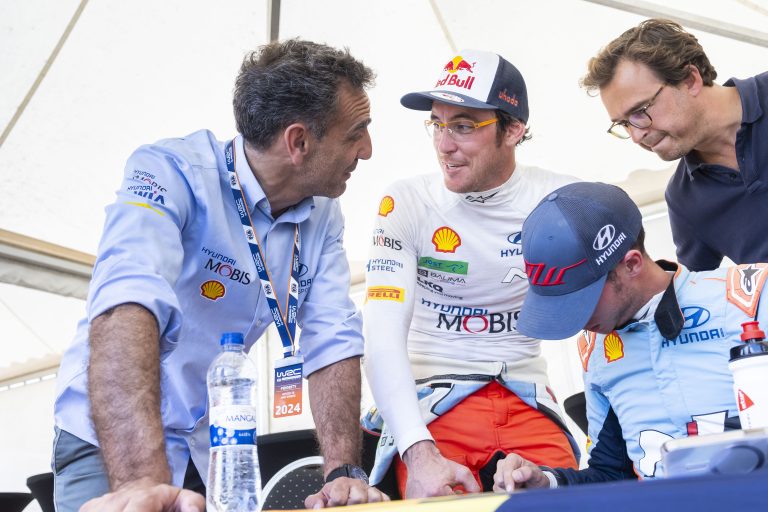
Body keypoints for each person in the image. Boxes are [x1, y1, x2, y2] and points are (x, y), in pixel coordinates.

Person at [53, 39, 389, 511]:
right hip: (113, 440)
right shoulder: (170, 171)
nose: (367, 150)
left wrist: (342, 473)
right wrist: (139, 484)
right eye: (356, 133)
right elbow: (126, 303)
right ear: (298, 142)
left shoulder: (324, 214)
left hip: (207, 446)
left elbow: (332, 334)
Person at [362, 49, 580, 500]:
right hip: (430, 404)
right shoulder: (406, 202)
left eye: (463, 126)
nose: (444, 145)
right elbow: (380, 337)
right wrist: (418, 452)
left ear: (513, 130)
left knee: (569, 503)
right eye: (437, 124)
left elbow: (609, 312)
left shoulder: (562, 198)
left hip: (527, 395)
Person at [493, 181, 758, 491]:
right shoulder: (595, 348)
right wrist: (546, 482)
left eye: (582, 299)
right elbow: (610, 473)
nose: (577, 321)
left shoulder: (750, 297)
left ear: (631, 264)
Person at [581, 18, 768, 272]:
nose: (636, 136)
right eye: (624, 123)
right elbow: (696, 288)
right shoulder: (684, 200)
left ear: (690, 80)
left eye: (640, 111)